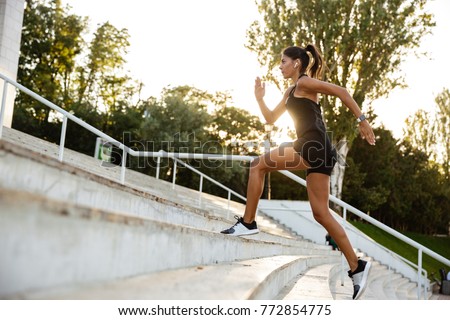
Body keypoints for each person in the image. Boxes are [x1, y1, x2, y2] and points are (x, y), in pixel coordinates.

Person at [221, 44, 375, 300]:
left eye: (283, 61)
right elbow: (270, 119)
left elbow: (341, 91)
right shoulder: (291, 90)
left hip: (312, 145)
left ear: (296, 64)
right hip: (320, 150)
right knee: (321, 213)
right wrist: (259, 98)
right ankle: (356, 266)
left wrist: (362, 121)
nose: (280, 66)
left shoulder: (305, 82)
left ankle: (248, 223)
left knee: (257, 165)